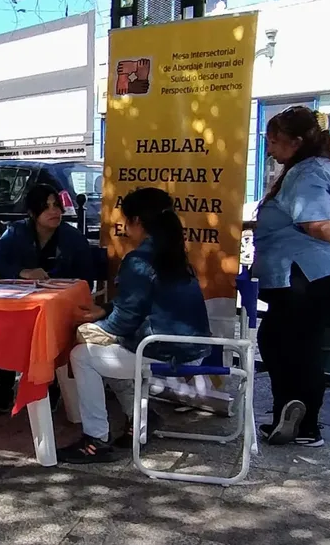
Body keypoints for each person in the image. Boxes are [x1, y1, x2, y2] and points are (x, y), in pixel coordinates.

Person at [57, 187, 211, 464]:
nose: (126, 226)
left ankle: (96, 440)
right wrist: (103, 311)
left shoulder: (139, 260)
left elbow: (126, 320)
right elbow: (141, 303)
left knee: (82, 355)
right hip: (192, 347)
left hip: (165, 350)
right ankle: (141, 416)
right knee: (107, 350)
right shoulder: (172, 253)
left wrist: (99, 327)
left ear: (137, 221)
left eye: (127, 219)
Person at [253, 106, 330, 447]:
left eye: (275, 142)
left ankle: (297, 414)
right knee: (297, 342)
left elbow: (316, 223)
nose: (271, 149)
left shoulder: (306, 173)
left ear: (296, 142)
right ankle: (300, 419)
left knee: (282, 342)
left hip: (305, 274)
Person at [0, 183, 94, 414]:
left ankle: (49, 387)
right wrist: (21, 272)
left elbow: (87, 278)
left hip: (62, 307)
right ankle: (5, 388)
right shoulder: (16, 231)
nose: (54, 212)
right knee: (7, 326)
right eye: (46, 207)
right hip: (23, 304)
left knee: (44, 330)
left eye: (57, 206)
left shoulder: (72, 237)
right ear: (33, 213)